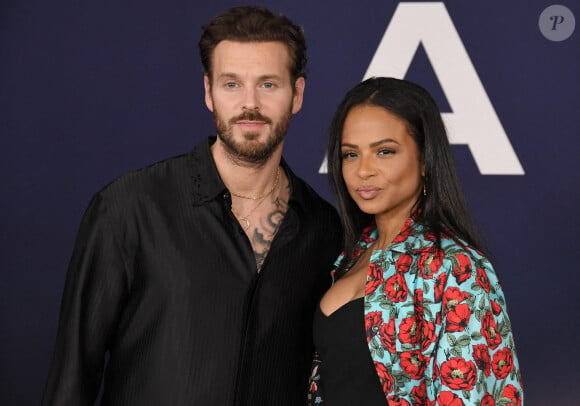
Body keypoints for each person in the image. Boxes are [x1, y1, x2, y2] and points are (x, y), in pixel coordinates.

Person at [42, 6, 342, 406]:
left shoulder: (323, 229)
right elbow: (72, 379)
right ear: (208, 92)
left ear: (297, 94)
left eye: (268, 85)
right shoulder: (129, 209)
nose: (249, 104)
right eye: (232, 84)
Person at [307, 77, 523, 405]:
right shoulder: (350, 256)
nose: (363, 170)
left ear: (424, 160)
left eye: (384, 151)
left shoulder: (455, 266)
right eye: (351, 154)